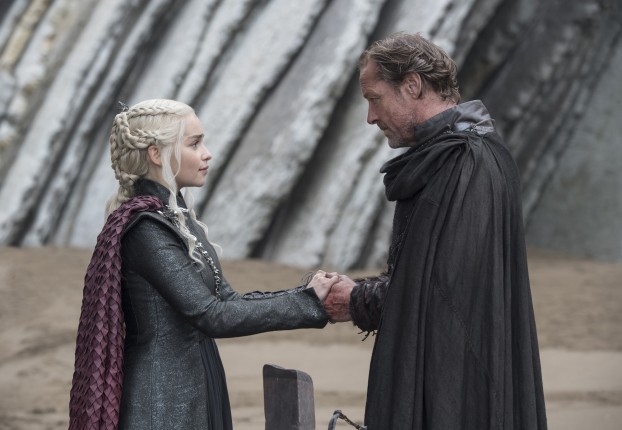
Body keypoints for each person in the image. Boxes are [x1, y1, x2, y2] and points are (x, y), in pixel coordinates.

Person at [68, 99, 337, 430]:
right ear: (156, 154)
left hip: (194, 385)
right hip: (162, 403)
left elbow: (227, 300)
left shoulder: (176, 219)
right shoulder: (147, 229)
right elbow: (211, 315)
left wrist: (306, 296)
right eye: (194, 144)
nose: (207, 154)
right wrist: (308, 304)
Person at [324, 33, 548, 429]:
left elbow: (444, 293)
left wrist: (357, 299)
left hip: (460, 387)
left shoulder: (466, 164)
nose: (371, 117)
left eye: (375, 98)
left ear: (412, 85)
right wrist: (363, 292)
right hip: (460, 376)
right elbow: (429, 274)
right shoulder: (462, 158)